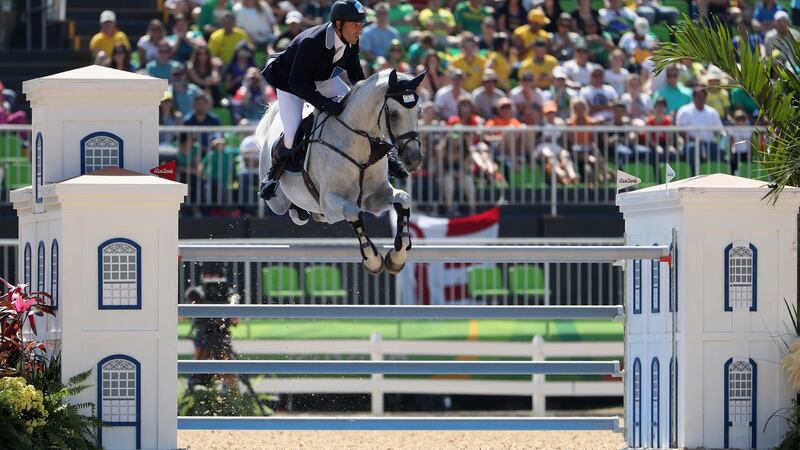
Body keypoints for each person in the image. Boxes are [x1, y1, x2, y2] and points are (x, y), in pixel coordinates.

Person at [260, 0, 408, 200]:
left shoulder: (351, 39)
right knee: (292, 134)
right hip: (290, 83)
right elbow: (298, 83)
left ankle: (387, 153)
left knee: (360, 110)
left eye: (360, 24)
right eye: (354, 24)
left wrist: (368, 95)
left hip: (322, 79)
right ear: (338, 24)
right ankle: (273, 174)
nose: (359, 29)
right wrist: (324, 104)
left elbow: (356, 73)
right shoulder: (313, 41)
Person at [675, 87, 724, 171]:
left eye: (702, 97)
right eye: (698, 97)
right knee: (693, 149)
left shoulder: (712, 112)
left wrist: (718, 133)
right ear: (693, 97)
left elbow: (719, 131)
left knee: (719, 151)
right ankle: (694, 176)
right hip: (690, 144)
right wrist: (696, 140)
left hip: (709, 144)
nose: (700, 99)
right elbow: (681, 132)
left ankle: (714, 177)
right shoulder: (684, 111)